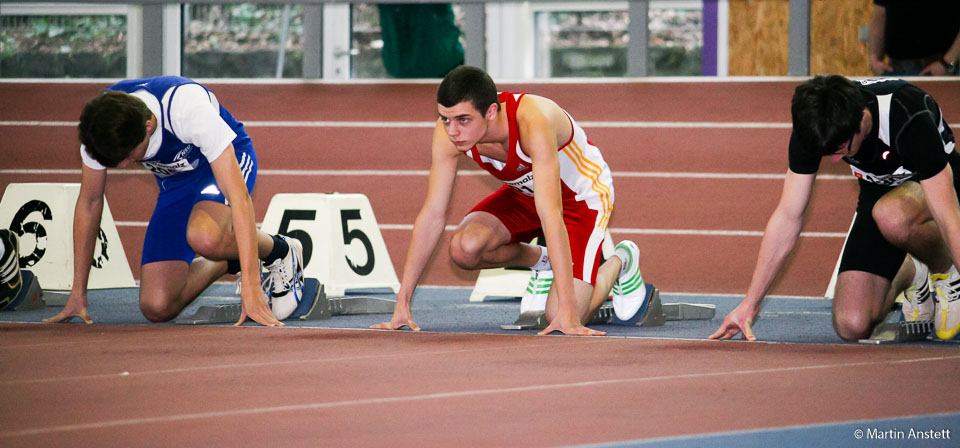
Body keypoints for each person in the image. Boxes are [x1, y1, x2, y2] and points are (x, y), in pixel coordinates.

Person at [371, 65, 647, 336]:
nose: (452, 131)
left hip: (581, 199)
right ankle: (545, 262)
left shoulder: (533, 121)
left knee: (561, 315)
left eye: (463, 120)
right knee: (464, 249)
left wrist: (567, 309)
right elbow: (432, 214)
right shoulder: (447, 134)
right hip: (526, 194)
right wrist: (402, 304)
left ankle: (621, 261)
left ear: (491, 111)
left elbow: (551, 212)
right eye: (445, 118)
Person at [711, 75, 959, 342]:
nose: (835, 158)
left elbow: (947, 216)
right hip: (879, 197)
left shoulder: (906, 115)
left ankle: (947, 274)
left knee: (892, 215)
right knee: (851, 324)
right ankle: (913, 272)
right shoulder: (816, 125)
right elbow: (788, 216)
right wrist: (750, 304)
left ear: (862, 119)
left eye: (841, 149)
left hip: (941, 186)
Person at [44, 76, 304, 326]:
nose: (123, 165)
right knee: (157, 306)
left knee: (205, 236)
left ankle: (281, 251)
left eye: (128, 156)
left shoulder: (186, 109)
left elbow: (239, 198)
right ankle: (230, 258)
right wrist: (77, 293)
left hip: (223, 162)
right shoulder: (101, 128)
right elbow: (90, 202)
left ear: (148, 126)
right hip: (176, 182)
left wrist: (251, 286)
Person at [869, 0, 960, 76]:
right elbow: (880, 15)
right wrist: (874, 59)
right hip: (893, 70)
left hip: (937, 70)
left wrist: (947, 63)